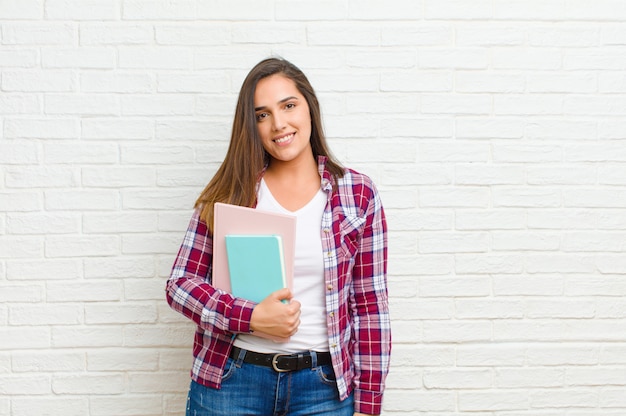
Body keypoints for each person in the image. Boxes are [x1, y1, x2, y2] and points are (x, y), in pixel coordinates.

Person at [166, 57, 391, 416]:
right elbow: (180, 284)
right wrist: (250, 316)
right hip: (232, 383)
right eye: (262, 114)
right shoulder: (231, 190)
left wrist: (368, 405)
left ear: (309, 107)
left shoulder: (357, 194)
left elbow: (369, 306)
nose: (278, 124)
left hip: (324, 390)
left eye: (288, 106)